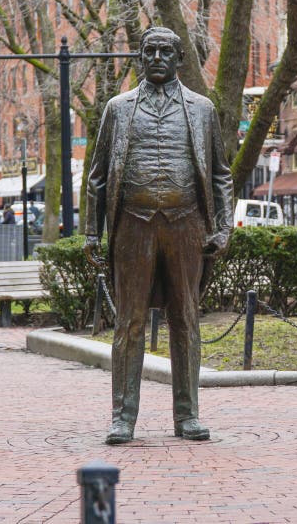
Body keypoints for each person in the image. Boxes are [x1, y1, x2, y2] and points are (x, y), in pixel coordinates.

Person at [84, 27, 233, 445]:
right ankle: (122, 418)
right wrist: (93, 233)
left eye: (166, 51)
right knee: (129, 323)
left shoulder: (202, 109)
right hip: (133, 223)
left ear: (180, 57)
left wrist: (223, 227)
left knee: (185, 319)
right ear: (139, 57)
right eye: (149, 51)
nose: (157, 57)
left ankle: (187, 416)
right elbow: (97, 178)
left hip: (187, 225)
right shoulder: (118, 108)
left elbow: (221, 174)